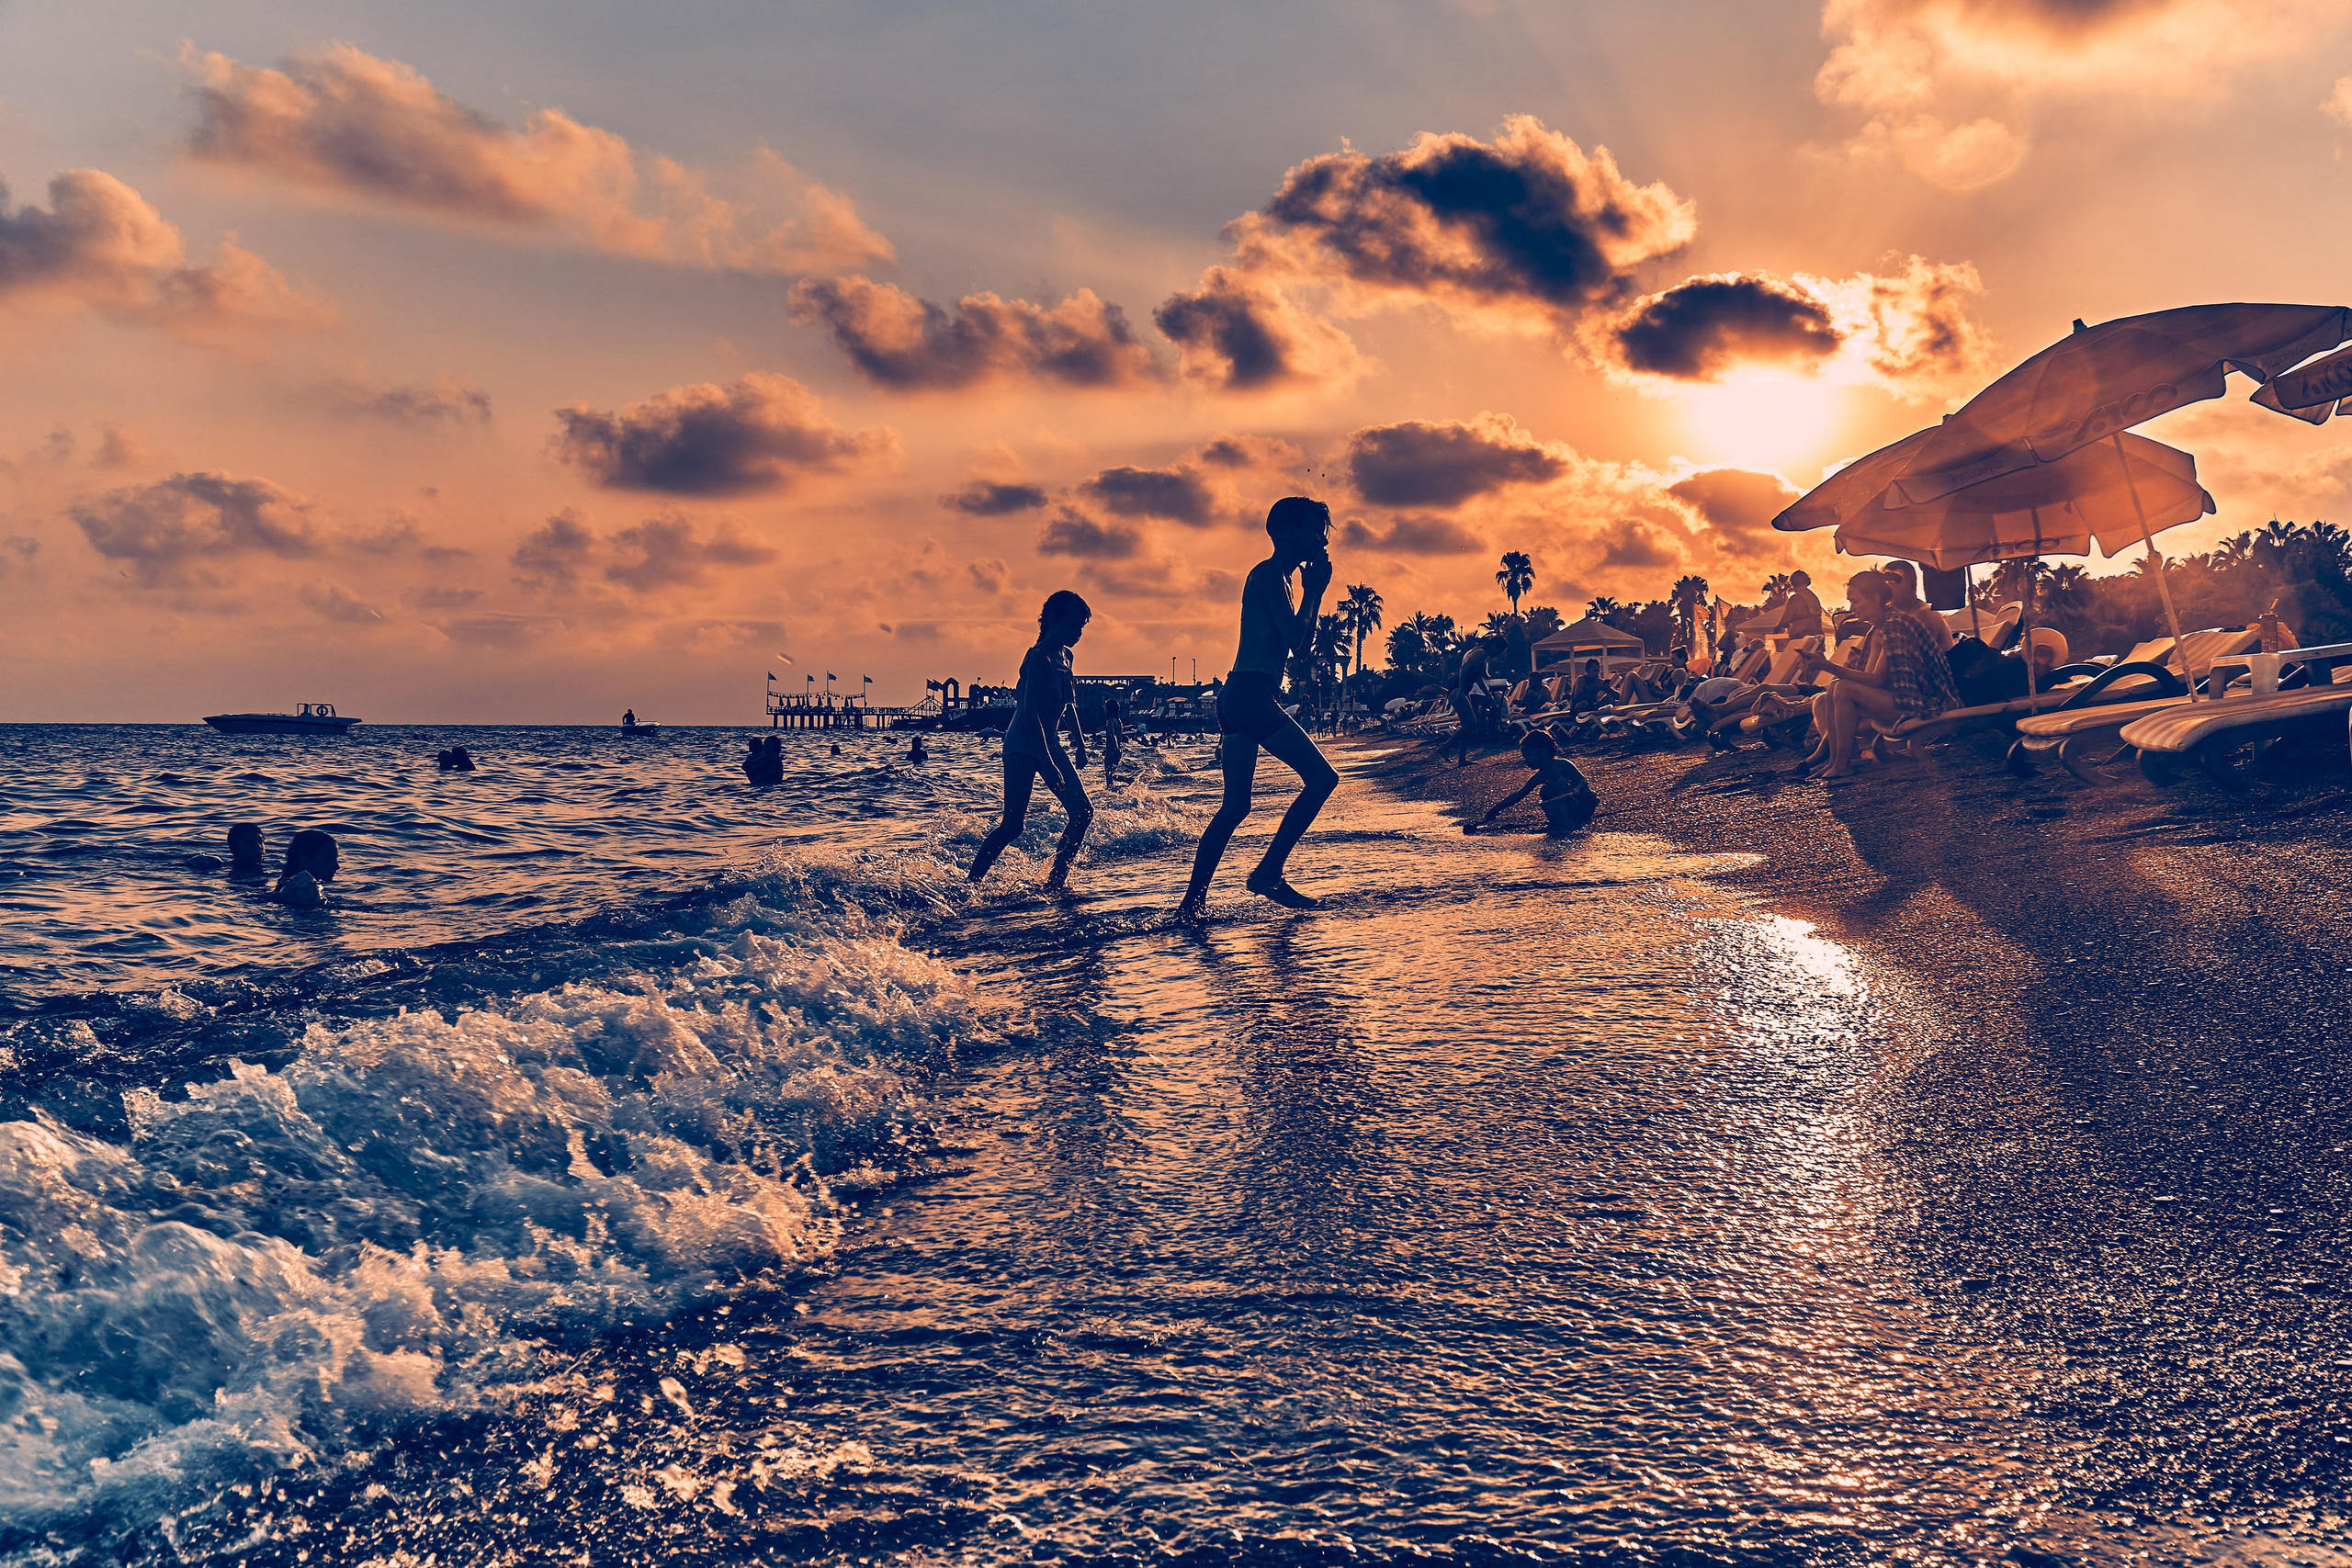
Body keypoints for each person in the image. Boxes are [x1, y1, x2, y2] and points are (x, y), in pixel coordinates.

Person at [1176, 497, 1339, 918]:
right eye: (1317, 529)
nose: (1323, 539)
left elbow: (1296, 645)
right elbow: (1296, 644)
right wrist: (1316, 592)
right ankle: (1267, 873)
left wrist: (1311, 592)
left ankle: (1191, 904)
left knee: (1236, 806)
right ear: (1289, 533)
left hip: (1238, 695)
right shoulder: (1268, 575)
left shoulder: (1278, 578)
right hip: (1250, 695)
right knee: (1322, 779)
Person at [968, 591, 1094, 891]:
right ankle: (970, 885)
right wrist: (1048, 764)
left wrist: (1080, 744)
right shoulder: (1037, 658)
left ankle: (1055, 881)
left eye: (1081, 628)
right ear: (1051, 620)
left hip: (1049, 743)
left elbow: (1069, 705)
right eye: (1072, 625)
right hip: (1022, 746)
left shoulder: (1067, 656)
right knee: (1013, 825)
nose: (1077, 633)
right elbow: (1030, 713)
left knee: (1083, 813)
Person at [1796, 570, 1961, 783]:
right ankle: (1834, 762)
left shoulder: (1896, 626)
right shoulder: (1880, 628)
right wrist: (1827, 668)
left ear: (1875, 598)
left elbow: (1876, 681)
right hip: (1905, 701)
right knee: (1835, 687)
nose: (1852, 608)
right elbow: (1868, 677)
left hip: (1926, 704)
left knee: (1842, 688)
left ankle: (1841, 764)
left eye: (1855, 601)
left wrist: (1826, 666)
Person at [1465, 728, 1598, 835]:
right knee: (1546, 791)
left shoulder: (1563, 764)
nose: (1526, 760)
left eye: (1528, 755)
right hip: (1566, 809)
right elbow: (1518, 795)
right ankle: (1562, 820)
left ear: (1543, 752)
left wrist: (1577, 789)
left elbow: (1583, 781)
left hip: (1582, 804)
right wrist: (1495, 809)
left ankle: (1571, 819)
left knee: (1547, 790)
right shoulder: (1540, 776)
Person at [1453, 637, 1495, 767]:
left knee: (1468, 725)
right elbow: (1463, 669)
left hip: (1466, 691)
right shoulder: (1480, 653)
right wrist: (1460, 691)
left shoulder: (1481, 656)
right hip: (1458, 690)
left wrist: (1488, 695)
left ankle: (1461, 759)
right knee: (1470, 724)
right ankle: (1445, 747)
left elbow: (1478, 679)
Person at [274, 829, 339, 907]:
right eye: (329, 860)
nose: (336, 866)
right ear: (305, 861)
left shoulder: (291, 885)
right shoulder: (303, 890)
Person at [1782, 571, 1825, 639]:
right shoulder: (1814, 598)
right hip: (1818, 638)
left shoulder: (1795, 599)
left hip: (1801, 639)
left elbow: (1785, 620)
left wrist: (1776, 628)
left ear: (1792, 583)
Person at [1100, 694, 1125, 789]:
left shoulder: (1110, 721)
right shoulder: (1118, 721)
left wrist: (1115, 747)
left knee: (1108, 775)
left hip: (1112, 750)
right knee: (1111, 773)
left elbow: (1112, 735)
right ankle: (1123, 782)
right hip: (1119, 750)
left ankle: (1126, 781)